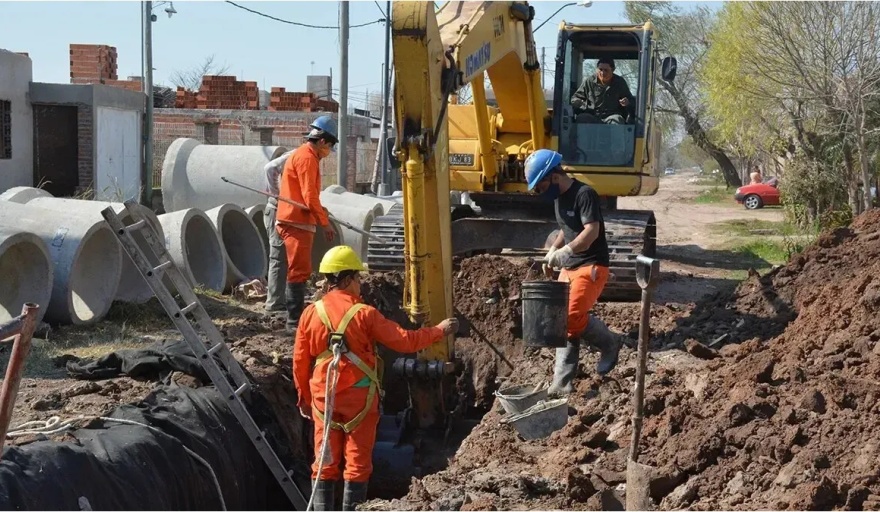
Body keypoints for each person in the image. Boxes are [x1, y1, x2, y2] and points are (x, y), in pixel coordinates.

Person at [293, 245, 459, 511]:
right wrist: (438, 331)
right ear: (347, 280)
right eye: (358, 279)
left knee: (325, 460)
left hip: (324, 398)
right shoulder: (364, 314)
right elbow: (405, 341)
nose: (360, 285)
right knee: (357, 462)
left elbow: (300, 361)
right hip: (359, 398)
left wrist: (303, 397)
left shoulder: (311, 314)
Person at [525, 149, 630, 396]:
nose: (539, 192)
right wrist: (554, 249)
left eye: (539, 186)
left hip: (591, 264)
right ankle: (561, 386)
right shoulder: (558, 199)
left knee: (571, 316)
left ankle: (610, 343)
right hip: (571, 265)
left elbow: (591, 231)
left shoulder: (585, 194)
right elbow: (566, 227)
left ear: (553, 176)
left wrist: (568, 250)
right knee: (562, 320)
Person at [276, 115, 338, 333]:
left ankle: (295, 317)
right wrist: (325, 223)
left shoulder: (304, 155)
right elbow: (309, 196)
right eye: (329, 146)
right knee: (299, 271)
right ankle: (294, 322)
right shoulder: (307, 158)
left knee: (297, 269)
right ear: (322, 141)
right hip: (296, 221)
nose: (328, 151)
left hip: (295, 219)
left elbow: (307, 197)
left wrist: (322, 213)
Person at [263, 149, 293, 314]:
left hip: (285, 213)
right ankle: (274, 305)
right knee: (278, 258)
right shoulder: (294, 156)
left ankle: (283, 300)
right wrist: (278, 195)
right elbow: (269, 168)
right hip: (276, 211)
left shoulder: (310, 159)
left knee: (286, 259)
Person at [570, 57, 635, 125]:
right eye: (600, 69)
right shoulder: (589, 81)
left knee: (617, 120)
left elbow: (631, 101)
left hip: (611, 116)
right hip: (593, 115)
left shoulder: (620, 82)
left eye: (606, 70)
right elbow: (574, 99)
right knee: (582, 118)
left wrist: (627, 102)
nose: (603, 73)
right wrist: (582, 104)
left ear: (613, 70)